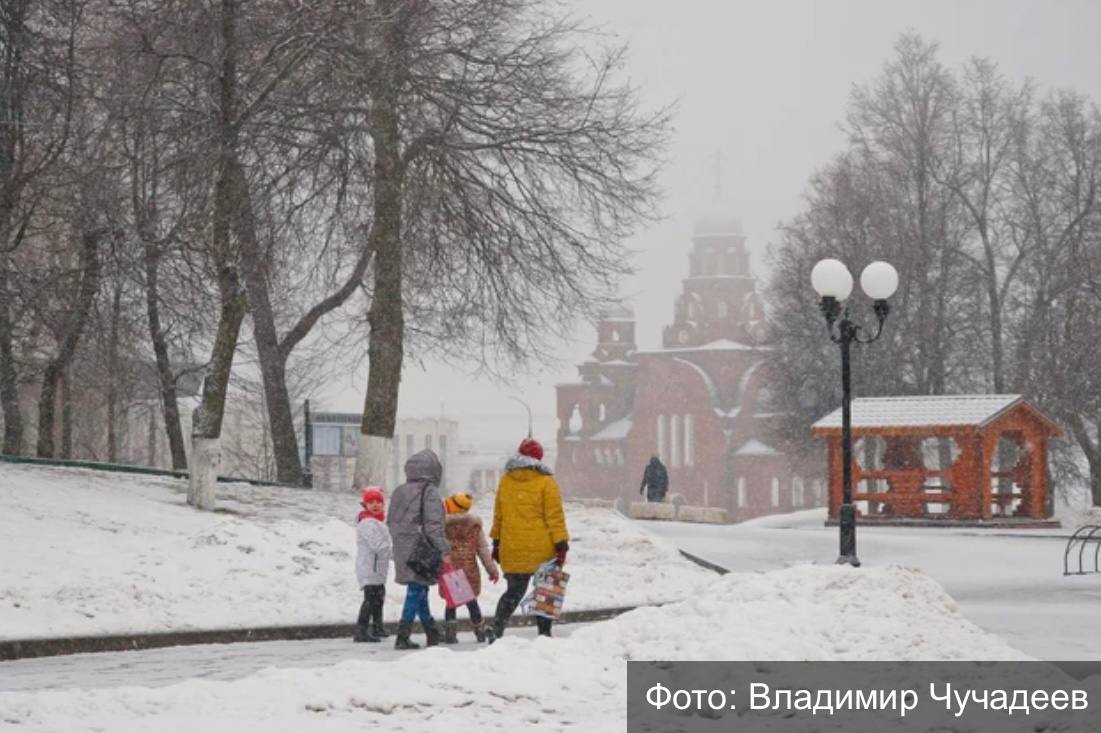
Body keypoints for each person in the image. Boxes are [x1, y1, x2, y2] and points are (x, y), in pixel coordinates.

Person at [487, 437, 569, 642]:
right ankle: (544, 634)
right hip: (542, 548)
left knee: (513, 591)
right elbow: (554, 516)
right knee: (547, 590)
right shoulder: (546, 482)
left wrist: (496, 543)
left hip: (512, 546)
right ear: (538, 458)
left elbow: (499, 515)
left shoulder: (506, 481)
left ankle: (496, 628)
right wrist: (561, 544)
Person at [387, 449, 451, 650]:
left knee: (419, 588)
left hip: (403, 547)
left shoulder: (399, 490)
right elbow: (433, 525)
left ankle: (431, 631)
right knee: (416, 590)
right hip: (421, 549)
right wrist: (444, 550)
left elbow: (391, 521)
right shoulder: (429, 491)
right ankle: (402, 635)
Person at [438, 492, 500, 643]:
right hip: (469, 570)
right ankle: (479, 630)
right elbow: (483, 550)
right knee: (471, 601)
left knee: (450, 603)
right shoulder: (474, 526)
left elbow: (438, 548)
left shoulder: (442, 526)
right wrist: (491, 569)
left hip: (450, 569)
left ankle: (450, 633)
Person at [353, 486, 392, 643]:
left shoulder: (378, 521)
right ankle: (361, 630)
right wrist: (396, 554)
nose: (375, 505)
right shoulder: (368, 523)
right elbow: (379, 546)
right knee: (370, 599)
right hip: (370, 567)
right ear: (365, 505)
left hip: (377, 568)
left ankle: (377, 626)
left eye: (378, 502)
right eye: (371, 502)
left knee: (379, 597)